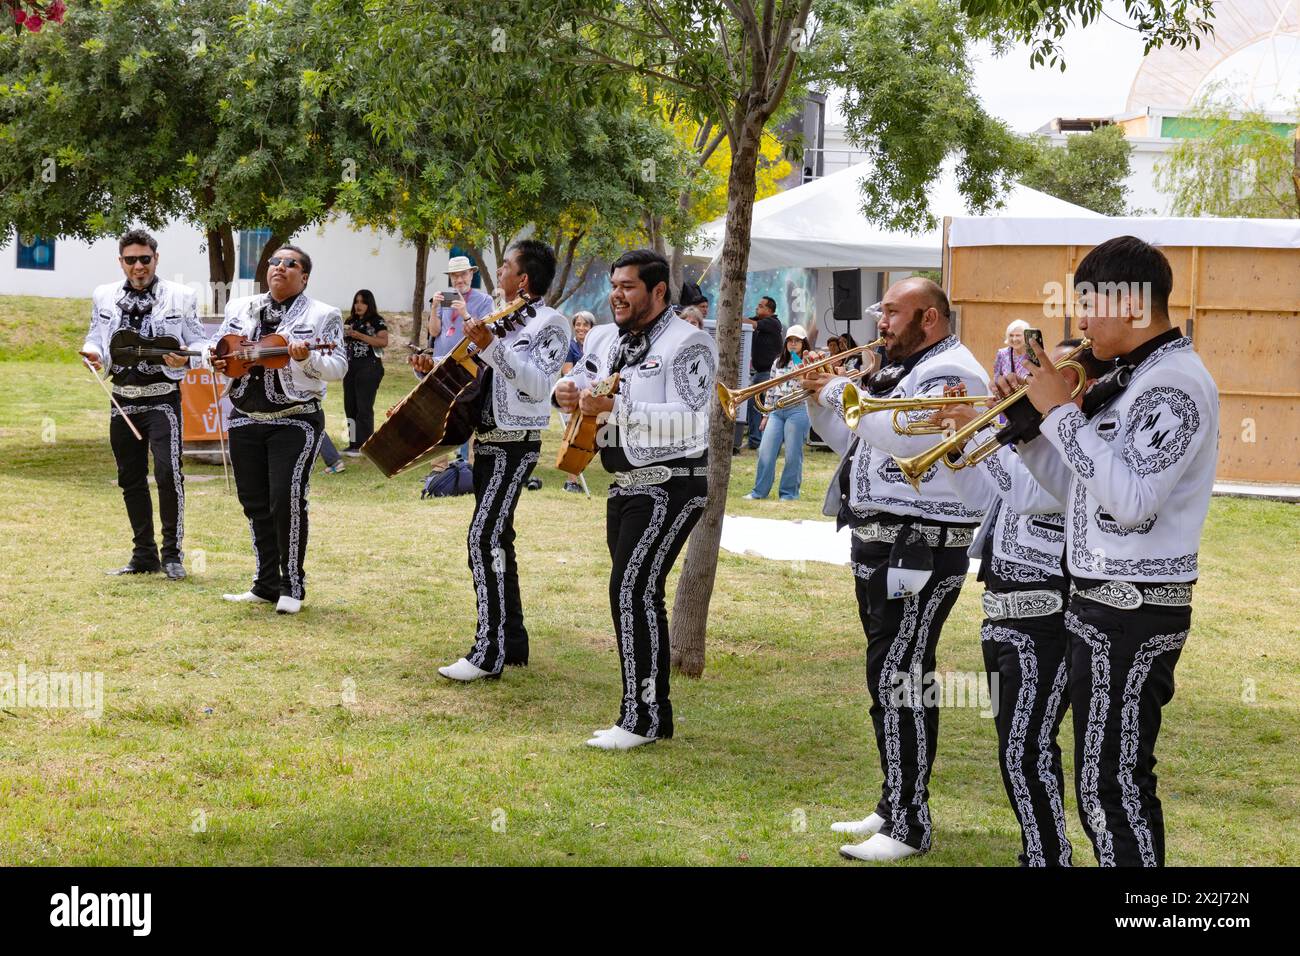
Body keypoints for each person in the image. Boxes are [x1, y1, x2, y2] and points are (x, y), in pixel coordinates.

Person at [998, 236, 1219, 867]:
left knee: (1114, 787)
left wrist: (1059, 417)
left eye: (1090, 304)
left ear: (1133, 304)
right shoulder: (1132, 378)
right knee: (1103, 784)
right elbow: (1081, 490)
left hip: (1134, 610)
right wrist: (1030, 432)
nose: (1081, 321)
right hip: (1099, 606)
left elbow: (1132, 500)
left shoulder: (1173, 383)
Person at [802, 277, 989, 862]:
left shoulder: (953, 373)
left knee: (901, 676)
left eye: (892, 313)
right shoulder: (902, 371)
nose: (880, 322)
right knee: (890, 673)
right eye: (881, 311)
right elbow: (859, 443)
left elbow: (905, 443)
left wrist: (838, 388)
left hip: (924, 546)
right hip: (883, 543)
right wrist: (816, 397)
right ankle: (893, 802)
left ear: (929, 319)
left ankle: (910, 823)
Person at [932, 339, 1111, 867]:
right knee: (1018, 748)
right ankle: (1044, 851)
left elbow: (1032, 496)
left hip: (1048, 615)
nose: (1030, 384)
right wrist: (956, 445)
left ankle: (1046, 857)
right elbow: (989, 502)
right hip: (1004, 612)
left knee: (1025, 748)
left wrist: (989, 427)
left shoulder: (1082, 450)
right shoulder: (1029, 444)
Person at [555, 249, 716, 750]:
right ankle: (648, 714)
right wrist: (566, 389)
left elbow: (693, 420)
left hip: (674, 481)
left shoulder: (690, 342)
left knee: (631, 589)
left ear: (659, 291)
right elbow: (583, 380)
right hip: (623, 483)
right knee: (633, 592)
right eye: (614, 285)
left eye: (628, 287)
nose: (617, 295)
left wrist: (619, 407)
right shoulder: (603, 336)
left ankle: (641, 718)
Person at [429, 240, 571, 682]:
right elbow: (478, 376)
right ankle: (512, 642)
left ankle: (487, 651)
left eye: (506, 265)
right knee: (499, 539)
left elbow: (535, 386)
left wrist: (491, 346)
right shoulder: (500, 318)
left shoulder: (552, 324)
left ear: (523, 278)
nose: (500, 271)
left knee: (483, 538)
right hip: (486, 441)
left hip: (516, 443)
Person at [211, 244, 348, 614]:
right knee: (253, 502)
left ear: (304, 276)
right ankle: (265, 583)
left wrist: (309, 358)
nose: (281, 267)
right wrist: (217, 356)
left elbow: (338, 367)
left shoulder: (324, 314)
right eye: (275, 262)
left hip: (295, 419)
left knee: (285, 499)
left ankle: (292, 586)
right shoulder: (240, 307)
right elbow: (221, 345)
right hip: (244, 416)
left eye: (292, 264)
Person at [80, 228, 206, 580]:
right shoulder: (103, 295)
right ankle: (143, 554)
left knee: (168, 474)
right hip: (121, 400)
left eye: (145, 259)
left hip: (163, 401)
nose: (139, 266)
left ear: (156, 258)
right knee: (130, 478)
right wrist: (91, 354)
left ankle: (172, 555)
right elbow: (96, 337)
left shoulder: (181, 296)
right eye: (131, 260)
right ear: (121, 262)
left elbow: (199, 341)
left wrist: (187, 359)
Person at [744, 326, 812, 501]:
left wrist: (798, 358)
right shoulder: (777, 362)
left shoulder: (808, 361)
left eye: (797, 340)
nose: (793, 344)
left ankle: (789, 494)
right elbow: (771, 389)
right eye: (790, 340)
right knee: (765, 451)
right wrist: (766, 414)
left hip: (798, 410)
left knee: (792, 455)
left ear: (804, 343)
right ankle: (759, 492)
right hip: (776, 411)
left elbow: (806, 381)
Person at [341, 289, 388, 456]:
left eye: (363, 302)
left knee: (364, 407)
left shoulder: (377, 321)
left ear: (369, 304)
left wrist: (358, 335)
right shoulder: (350, 320)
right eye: (356, 301)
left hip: (370, 367)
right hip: (350, 367)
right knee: (350, 406)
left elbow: (383, 341)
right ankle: (353, 443)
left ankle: (365, 445)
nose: (358, 305)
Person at [741, 295, 784, 450]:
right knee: (757, 406)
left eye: (760, 306)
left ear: (769, 310)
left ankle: (758, 441)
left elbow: (751, 324)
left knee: (762, 407)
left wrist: (734, 317)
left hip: (768, 373)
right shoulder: (762, 321)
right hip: (761, 373)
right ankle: (757, 440)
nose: (756, 308)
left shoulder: (773, 323)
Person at [561, 311, 596, 493]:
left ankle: (577, 475)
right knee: (573, 439)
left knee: (587, 439)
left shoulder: (595, 347)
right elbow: (568, 372)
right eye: (578, 324)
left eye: (585, 325)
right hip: (575, 398)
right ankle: (571, 482)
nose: (581, 328)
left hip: (593, 399)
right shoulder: (570, 347)